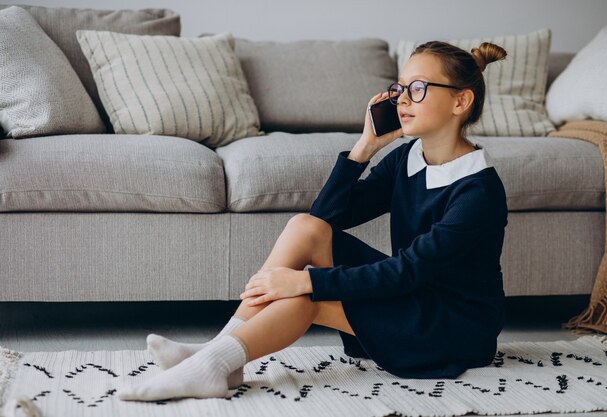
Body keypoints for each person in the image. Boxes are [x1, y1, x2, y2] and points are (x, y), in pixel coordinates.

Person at [117, 39, 509, 402]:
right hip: (413, 296)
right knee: (305, 227)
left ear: (461, 102)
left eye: (418, 89)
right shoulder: (406, 159)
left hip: (452, 328)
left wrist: (304, 279)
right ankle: (220, 355)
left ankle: (212, 363)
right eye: (400, 88)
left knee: (306, 296)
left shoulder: (478, 191)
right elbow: (326, 219)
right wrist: (364, 148)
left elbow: (408, 271)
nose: (403, 100)